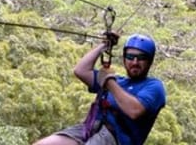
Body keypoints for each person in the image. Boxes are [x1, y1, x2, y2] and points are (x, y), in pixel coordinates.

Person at [33, 34, 166, 145]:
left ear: (149, 61)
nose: (135, 62)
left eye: (141, 58)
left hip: (116, 138)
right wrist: (104, 46)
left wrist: (109, 82)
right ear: (124, 59)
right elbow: (81, 70)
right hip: (91, 127)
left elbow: (134, 111)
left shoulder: (154, 86)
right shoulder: (118, 80)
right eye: (130, 57)